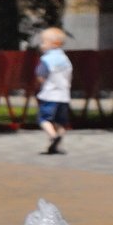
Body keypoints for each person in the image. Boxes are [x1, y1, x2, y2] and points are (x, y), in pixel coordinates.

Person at [35, 27, 72, 155]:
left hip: (50, 94)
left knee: (44, 119)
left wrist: (41, 83)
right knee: (61, 122)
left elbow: (41, 75)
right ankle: (58, 141)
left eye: (43, 42)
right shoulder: (65, 59)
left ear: (53, 44)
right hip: (64, 95)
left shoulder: (46, 59)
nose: (41, 45)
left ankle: (53, 136)